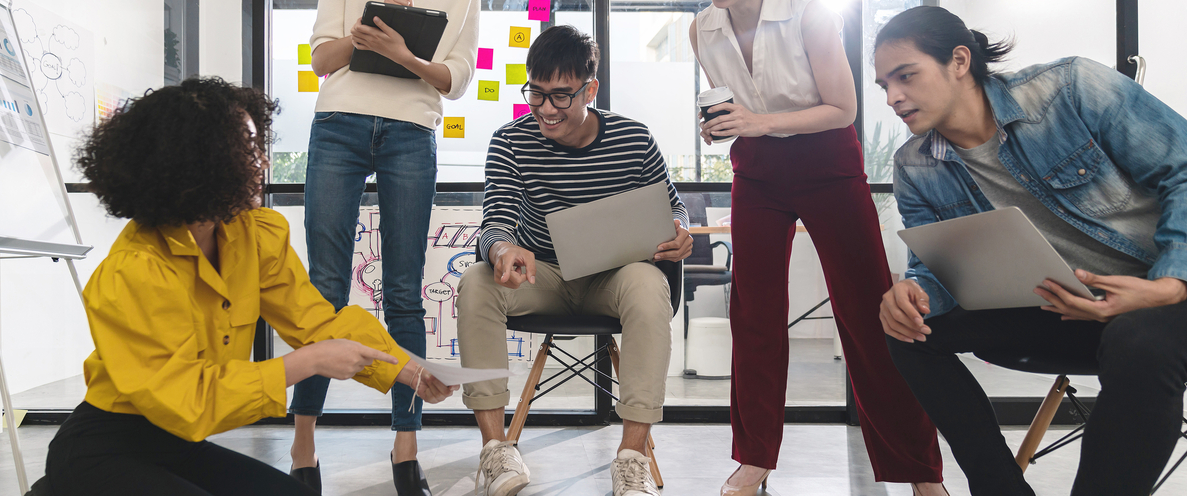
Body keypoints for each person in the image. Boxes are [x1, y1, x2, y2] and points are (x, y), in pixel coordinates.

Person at [30, 77, 455, 496]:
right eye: (246, 150)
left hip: (175, 443)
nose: (262, 163)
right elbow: (190, 402)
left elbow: (315, 321)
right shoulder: (133, 271)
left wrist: (403, 367)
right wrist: (307, 362)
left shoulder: (251, 235)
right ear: (196, 163)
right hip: (105, 446)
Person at [874, 6, 1187, 496]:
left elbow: (1184, 171)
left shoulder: (1071, 89)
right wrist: (913, 291)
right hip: (1070, 309)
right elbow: (940, 266)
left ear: (959, 61)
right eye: (884, 86)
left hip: (1166, 301)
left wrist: (1167, 286)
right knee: (909, 330)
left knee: (1139, 342)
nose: (893, 97)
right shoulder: (915, 165)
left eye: (905, 76)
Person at [688, 1, 946, 494]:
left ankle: (919, 469)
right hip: (756, 170)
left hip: (827, 163)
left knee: (871, 313)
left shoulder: (807, 14)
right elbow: (734, 108)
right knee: (753, 315)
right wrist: (721, 126)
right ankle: (755, 457)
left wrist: (760, 121)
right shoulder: (703, 28)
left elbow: (842, 108)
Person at [454, 25, 692, 496]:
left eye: (561, 97)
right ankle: (496, 450)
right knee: (477, 282)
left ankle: (631, 459)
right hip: (543, 275)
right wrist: (502, 250)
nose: (545, 109)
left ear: (591, 88)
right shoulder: (510, 142)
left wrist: (680, 233)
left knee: (648, 285)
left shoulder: (633, 138)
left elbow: (672, 205)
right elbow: (496, 221)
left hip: (614, 277)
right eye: (536, 94)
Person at [288, 0, 478, 493]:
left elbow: (456, 80)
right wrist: (363, 41)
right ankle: (303, 442)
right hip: (338, 124)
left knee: (404, 292)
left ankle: (406, 445)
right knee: (326, 288)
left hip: (412, 131)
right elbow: (321, 60)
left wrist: (403, 54)